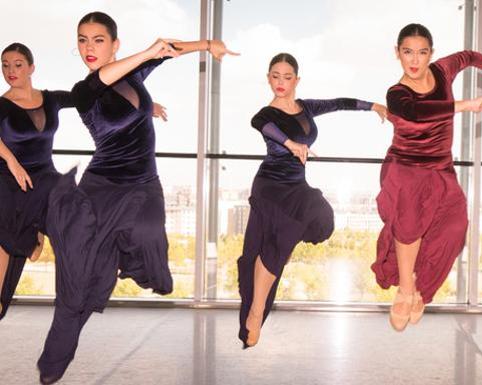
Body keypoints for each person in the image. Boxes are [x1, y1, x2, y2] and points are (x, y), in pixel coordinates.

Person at [37, 11, 237, 384]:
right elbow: (114, 74)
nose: (89, 48)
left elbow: (168, 51)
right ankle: (52, 364)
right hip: (100, 189)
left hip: (143, 183)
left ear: (115, 44)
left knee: (146, 233)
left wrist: (208, 45)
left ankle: (129, 262)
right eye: (82, 40)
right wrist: (148, 53)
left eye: (98, 40)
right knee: (78, 284)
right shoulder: (85, 89)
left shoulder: (135, 75)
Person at [371, 23, 482, 331]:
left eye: (422, 52)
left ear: (431, 54)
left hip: (440, 167)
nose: (414, 60)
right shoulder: (396, 93)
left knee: (455, 228)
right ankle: (405, 290)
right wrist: (467, 105)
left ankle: (421, 288)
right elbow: (419, 112)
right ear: (397, 53)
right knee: (409, 224)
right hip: (406, 167)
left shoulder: (442, 70)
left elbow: (468, 56)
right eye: (407, 52)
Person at [238, 52, 387, 348]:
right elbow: (261, 124)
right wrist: (291, 143)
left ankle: (277, 256)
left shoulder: (306, 108)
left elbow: (340, 103)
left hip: (296, 185)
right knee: (277, 244)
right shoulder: (267, 114)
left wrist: (373, 106)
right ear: (268, 78)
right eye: (275, 76)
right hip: (271, 186)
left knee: (321, 219)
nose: (280, 82)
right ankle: (255, 312)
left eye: (287, 77)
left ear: (297, 80)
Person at [0, 43, 74, 320]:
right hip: (7, 177)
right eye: (5, 64)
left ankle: (36, 233)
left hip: (43, 176)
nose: (10, 70)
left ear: (32, 67)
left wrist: (142, 105)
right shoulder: (2, 104)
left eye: (18, 64)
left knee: (69, 203)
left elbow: (90, 97)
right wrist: (11, 160)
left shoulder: (51, 99)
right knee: (3, 227)